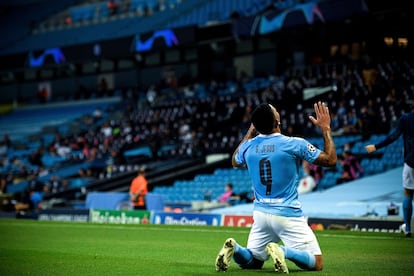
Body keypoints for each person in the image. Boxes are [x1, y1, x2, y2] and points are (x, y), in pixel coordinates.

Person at [215, 101, 337, 273]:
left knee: (254, 261)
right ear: (277, 122)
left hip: (261, 214)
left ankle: (236, 248)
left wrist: (251, 131)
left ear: (256, 126)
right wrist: (325, 128)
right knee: (316, 263)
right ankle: (283, 251)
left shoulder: (249, 146)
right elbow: (330, 160)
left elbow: (235, 160)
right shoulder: (294, 144)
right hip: (287, 214)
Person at [365, 110, 414, 238]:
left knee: (408, 193)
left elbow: (394, 136)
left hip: (411, 162)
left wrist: (376, 146)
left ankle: (408, 228)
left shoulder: (406, 118)